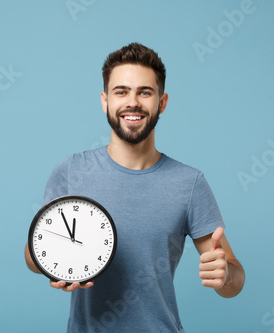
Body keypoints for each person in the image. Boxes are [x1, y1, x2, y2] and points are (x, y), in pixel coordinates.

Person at [25, 42, 245, 332]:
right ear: (105, 101)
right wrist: (51, 266)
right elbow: (33, 252)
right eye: (121, 92)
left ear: (162, 103)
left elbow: (233, 282)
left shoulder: (189, 183)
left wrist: (225, 273)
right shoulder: (71, 171)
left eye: (145, 92)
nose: (133, 102)